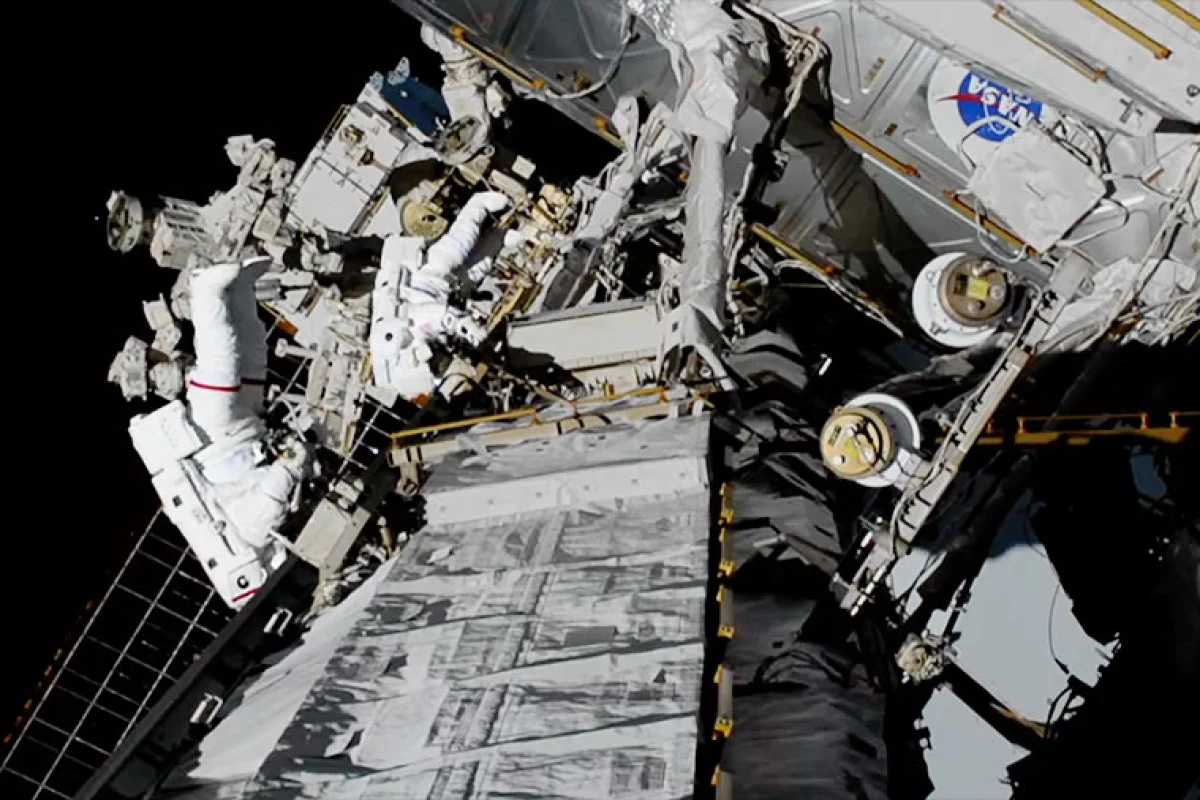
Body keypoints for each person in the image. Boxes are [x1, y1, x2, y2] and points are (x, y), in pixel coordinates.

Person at [127, 257, 311, 609]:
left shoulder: (255, 541)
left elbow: (266, 508)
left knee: (222, 361)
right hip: (248, 429)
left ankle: (205, 289)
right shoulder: (265, 543)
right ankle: (241, 287)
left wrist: (291, 464)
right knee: (253, 351)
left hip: (215, 437)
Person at [369, 190, 510, 399]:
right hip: (441, 293)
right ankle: (502, 237)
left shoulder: (406, 330)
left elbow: (440, 315)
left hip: (424, 278)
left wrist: (469, 328)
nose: (438, 363)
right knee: (477, 269)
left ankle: (479, 204)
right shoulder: (405, 369)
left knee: (459, 246)